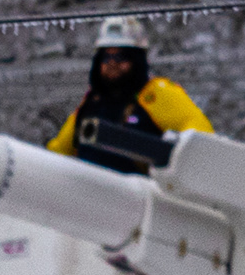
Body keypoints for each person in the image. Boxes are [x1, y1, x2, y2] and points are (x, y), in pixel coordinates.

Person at [47, 15, 212, 176]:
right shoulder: (91, 103)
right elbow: (58, 152)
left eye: (121, 57)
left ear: (136, 60)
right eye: (106, 57)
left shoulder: (156, 94)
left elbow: (200, 139)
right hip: (88, 197)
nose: (112, 63)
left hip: (139, 198)